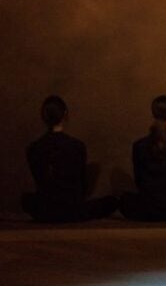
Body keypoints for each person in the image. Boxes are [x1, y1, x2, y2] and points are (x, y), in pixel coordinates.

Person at [23, 95, 119, 223]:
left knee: (26, 199)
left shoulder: (34, 147)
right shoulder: (77, 146)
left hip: (45, 209)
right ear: (65, 114)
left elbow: (39, 181)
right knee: (112, 201)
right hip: (71, 209)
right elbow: (81, 183)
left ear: (43, 117)